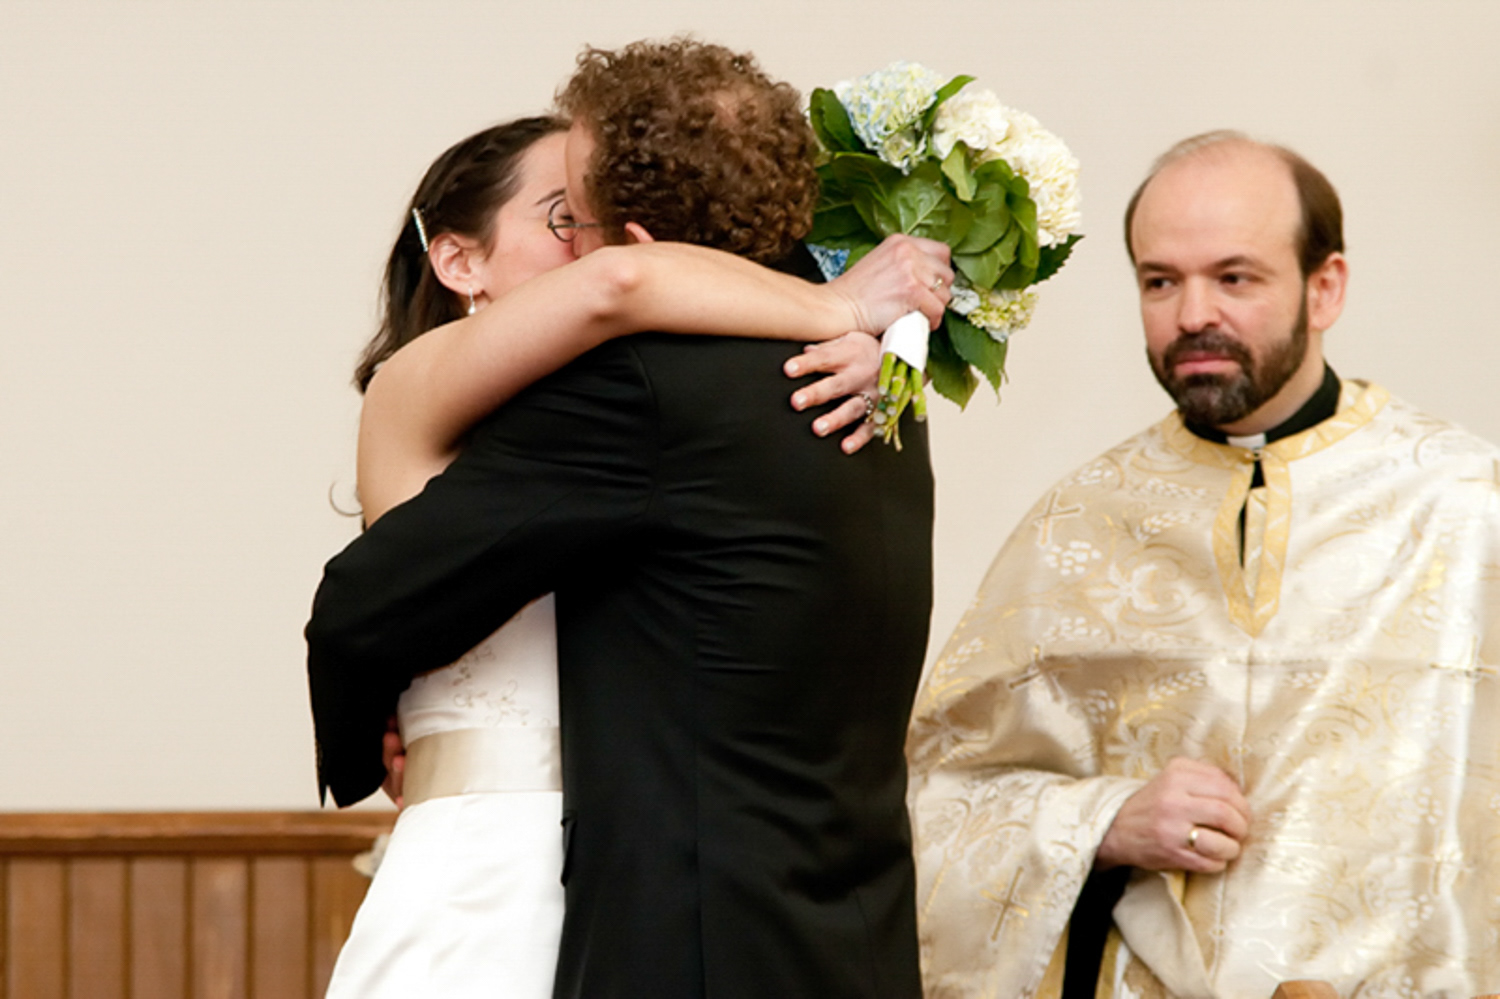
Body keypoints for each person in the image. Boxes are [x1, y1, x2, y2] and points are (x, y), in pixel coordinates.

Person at [309, 38, 944, 999]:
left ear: (638, 240)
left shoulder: (652, 388)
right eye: (553, 217)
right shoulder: (881, 391)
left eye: (578, 218)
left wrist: (365, 723)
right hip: (837, 931)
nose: (573, 247)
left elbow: (361, 606)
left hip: (684, 934)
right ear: (455, 258)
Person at [908, 132, 1500, 999]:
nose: (1192, 315)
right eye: (1160, 281)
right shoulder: (1079, 523)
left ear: (1324, 286)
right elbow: (933, 800)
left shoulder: (1466, 506)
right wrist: (1101, 821)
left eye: (1234, 277)